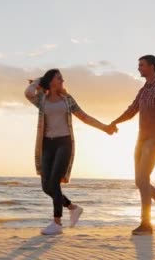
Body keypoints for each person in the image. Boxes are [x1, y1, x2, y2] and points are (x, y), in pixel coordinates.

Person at [25, 68, 117, 235]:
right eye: (59, 78)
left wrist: (105, 128)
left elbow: (85, 117)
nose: (62, 81)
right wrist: (40, 80)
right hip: (46, 144)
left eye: (62, 78)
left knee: (54, 183)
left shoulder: (67, 100)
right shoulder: (41, 99)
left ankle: (57, 223)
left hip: (64, 143)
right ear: (51, 80)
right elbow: (28, 92)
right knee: (46, 187)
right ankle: (73, 208)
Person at [108, 55, 155, 235]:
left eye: (141, 65)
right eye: (138, 65)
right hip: (140, 139)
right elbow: (132, 110)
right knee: (140, 181)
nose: (138, 68)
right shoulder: (143, 90)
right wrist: (114, 122)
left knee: (142, 180)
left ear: (151, 67)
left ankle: (146, 224)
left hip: (154, 139)